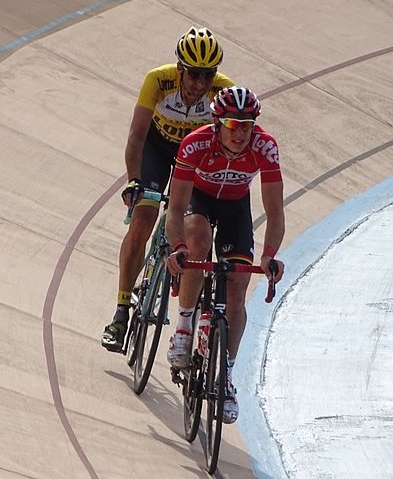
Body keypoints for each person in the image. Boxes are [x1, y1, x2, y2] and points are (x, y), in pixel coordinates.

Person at [101, 27, 235, 351]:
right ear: (179, 69)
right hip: (157, 150)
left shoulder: (223, 92)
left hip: (194, 160)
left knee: (193, 230)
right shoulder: (157, 81)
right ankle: (121, 312)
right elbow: (136, 137)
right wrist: (135, 180)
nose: (200, 85)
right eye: (193, 75)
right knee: (143, 220)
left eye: (207, 76)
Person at [165, 86, 286, 423]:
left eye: (247, 126)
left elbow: (275, 213)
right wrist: (178, 248)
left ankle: (226, 378)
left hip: (236, 207)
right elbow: (175, 209)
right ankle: (185, 325)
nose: (240, 134)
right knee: (198, 243)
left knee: (237, 287)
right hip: (198, 201)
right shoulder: (196, 143)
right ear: (218, 123)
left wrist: (270, 255)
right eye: (233, 125)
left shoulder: (265, 147)